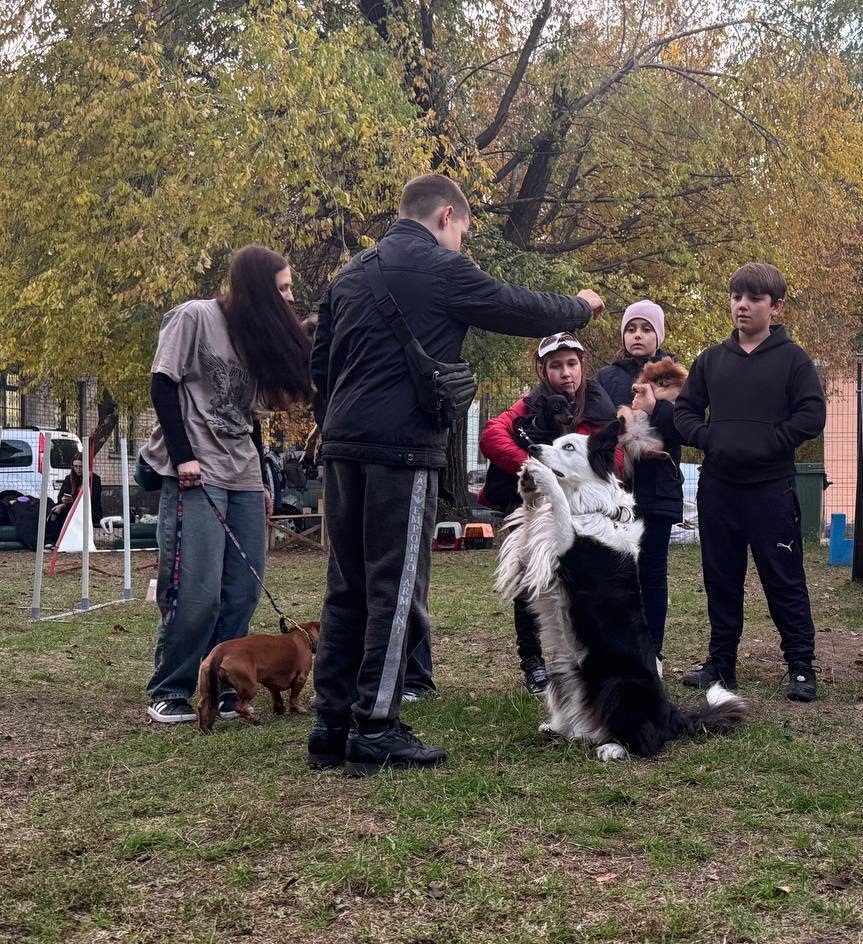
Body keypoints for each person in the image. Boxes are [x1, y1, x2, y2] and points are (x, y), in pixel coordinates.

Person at [309, 173, 604, 777]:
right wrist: (582, 308)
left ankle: (330, 723)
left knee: (347, 584)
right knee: (395, 586)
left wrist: (340, 423)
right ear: (446, 216)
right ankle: (376, 726)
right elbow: (517, 308)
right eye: (464, 230)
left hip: (342, 446)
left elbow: (321, 362)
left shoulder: (351, 273)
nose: (462, 242)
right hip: (402, 449)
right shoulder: (441, 269)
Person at [141, 245, 312, 724]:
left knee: (242, 589)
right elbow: (162, 384)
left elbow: (251, 418)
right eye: (283, 287)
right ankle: (171, 690)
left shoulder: (254, 335)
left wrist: (261, 477)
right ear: (259, 288)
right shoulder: (194, 317)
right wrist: (183, 458)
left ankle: (222, 689)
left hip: (242, 473)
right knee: (196, 589)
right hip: (196, 472)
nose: (291, 296)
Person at [674, 262, 826, 702]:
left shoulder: (793, 360)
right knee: (721, 577)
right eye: (737, 296)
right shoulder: (711, 360)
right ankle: (721, 663)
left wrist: (771, 442)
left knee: (783, 577)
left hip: (770, 489)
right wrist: (709, 437)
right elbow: (685, 412)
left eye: (754, 298)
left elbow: (811, 415)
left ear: (775, 307)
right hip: (718, 487)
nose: (743, 305)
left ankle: (800, 666)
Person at [479, 332, 625, 693]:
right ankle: (533, 662)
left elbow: (616, 459)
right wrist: (535, 470)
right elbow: (492, 435)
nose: (566, 373)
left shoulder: (601, 407)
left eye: (571, 364)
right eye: (556, 366)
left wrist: (567, 480)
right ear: (542, 369)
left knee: (586, 584)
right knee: (531, 581)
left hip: (583, 511)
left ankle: (583, 658)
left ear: (582, 364)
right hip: (534, 506)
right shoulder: (528, 405)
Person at [595, 300, 684, 661]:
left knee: (652, 573)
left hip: (657, 490)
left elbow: (686, 428)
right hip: (615, 491)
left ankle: (653, 653)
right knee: (614, 572)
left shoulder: (676, 377)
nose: (638, 335)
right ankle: (615, 650)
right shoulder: (606, 377)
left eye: (646, 329)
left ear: (658, 335)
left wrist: (654, 410)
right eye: (632, 328)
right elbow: (598, 425)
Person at [44, 454, 103, 546]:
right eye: (75, 466)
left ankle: (60, 540)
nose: (78, 469)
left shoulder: (94, 479)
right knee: (55, 510)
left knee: (63, 511)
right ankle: (51, 540)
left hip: (89, 510)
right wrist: (63, 500)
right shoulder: (69, 479)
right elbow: (61, 495)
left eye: (80, 467)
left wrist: (68, 503)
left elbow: (92, 498)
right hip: (70, 506)